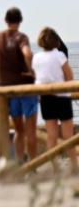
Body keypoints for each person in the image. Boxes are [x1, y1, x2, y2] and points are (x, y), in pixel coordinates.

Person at [0, 6, 37, 163]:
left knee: (18, 130)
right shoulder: (21, 37)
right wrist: (30, 70)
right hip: (26, 88)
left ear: (6, 20)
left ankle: (19, 164)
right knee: (30, 130)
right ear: (20, 21)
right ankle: (32, 165)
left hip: (8, 90)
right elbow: (27, 53)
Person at [32, 27, 78, 174]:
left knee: (51, 135)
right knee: (68, 135)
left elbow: (36, 76)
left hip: (45, 98)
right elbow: (69, 76)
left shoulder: (36, 57)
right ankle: (74, 165)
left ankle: (54, 166)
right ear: (55, 41)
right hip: (62, 98)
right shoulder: (59, 55)